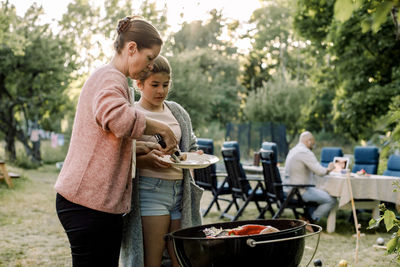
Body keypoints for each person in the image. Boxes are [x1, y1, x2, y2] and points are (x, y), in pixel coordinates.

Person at [54, 16, 178, 267]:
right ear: (131, 48)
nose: (150, 66)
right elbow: (117, 119)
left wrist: (141, 147)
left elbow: (105, 138)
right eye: (150, 58)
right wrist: (161, 128)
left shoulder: (112, 78)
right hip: (86, 203)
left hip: (91, 203)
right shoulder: (111, 78)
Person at [120, 55, 204, 267]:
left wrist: (194, 155)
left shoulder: (177, 111)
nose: (161, 91)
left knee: (182, 258)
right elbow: (122, 156)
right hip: (150, 192)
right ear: (139, 84)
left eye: (165, 85)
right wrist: (146, 160)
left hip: (180, 193)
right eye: (154, 85)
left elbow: (189, 145)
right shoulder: (133, 114)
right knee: (152, 260)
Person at [284, 131, 336, 222]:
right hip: (300, 191)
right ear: (309, 141)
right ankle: (311, 220)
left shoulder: (293, 150)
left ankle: (306, 217)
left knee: (321, 192)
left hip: (288, 189)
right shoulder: (305, 152)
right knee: (331, 200)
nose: (314, 144)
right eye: (313, 142)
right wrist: (329, 169)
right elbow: (320, 171)